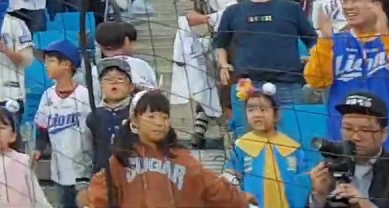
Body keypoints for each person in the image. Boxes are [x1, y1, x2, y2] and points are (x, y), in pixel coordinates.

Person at [83, 90, 256, 207]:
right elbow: (100, 196)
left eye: (164, 117)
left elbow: (212, 186)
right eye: (151, 116)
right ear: (134, 120)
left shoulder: (181, 158)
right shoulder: (120, 160)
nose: (159, 123)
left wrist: (241, 199)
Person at [304, 0, 389, 154]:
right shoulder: (333, 43)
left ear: (377, 5)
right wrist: (325, 41)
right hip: (344, 141)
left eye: (355, 0)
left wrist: (386, 36)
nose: (348, 6)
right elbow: (317, 81)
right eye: (345, 1)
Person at [308, 92, 389, 208]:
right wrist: (319, 196)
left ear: (384, 133)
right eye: (348, 128)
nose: (355, 137)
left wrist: (366, 205)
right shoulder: (329, 167)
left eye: (365, 130)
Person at [223, 81, 311, 208]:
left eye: (263, 109)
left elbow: (305, 182)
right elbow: (230, 176)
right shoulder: (241, 146)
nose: (257, 115)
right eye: (251, 110)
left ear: (276, 114)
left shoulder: (293, 148)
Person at [32, 39, 92, 208]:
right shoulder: (47, 95)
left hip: (85, 169)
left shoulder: (85, 95)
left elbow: (96, 129)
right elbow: (42, 127)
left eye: (51, 61)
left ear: (66, 64)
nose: (46, 65)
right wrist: (38, 149)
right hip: (59, 170)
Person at [85, 57, 135, 175]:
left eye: (120, 79)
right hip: (102, 175)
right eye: (107, 79)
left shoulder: (137, 113)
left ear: (131, 87)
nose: (114, 83)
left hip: (132, 174)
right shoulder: (93, 117)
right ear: (101, 86)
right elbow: (86, 151)